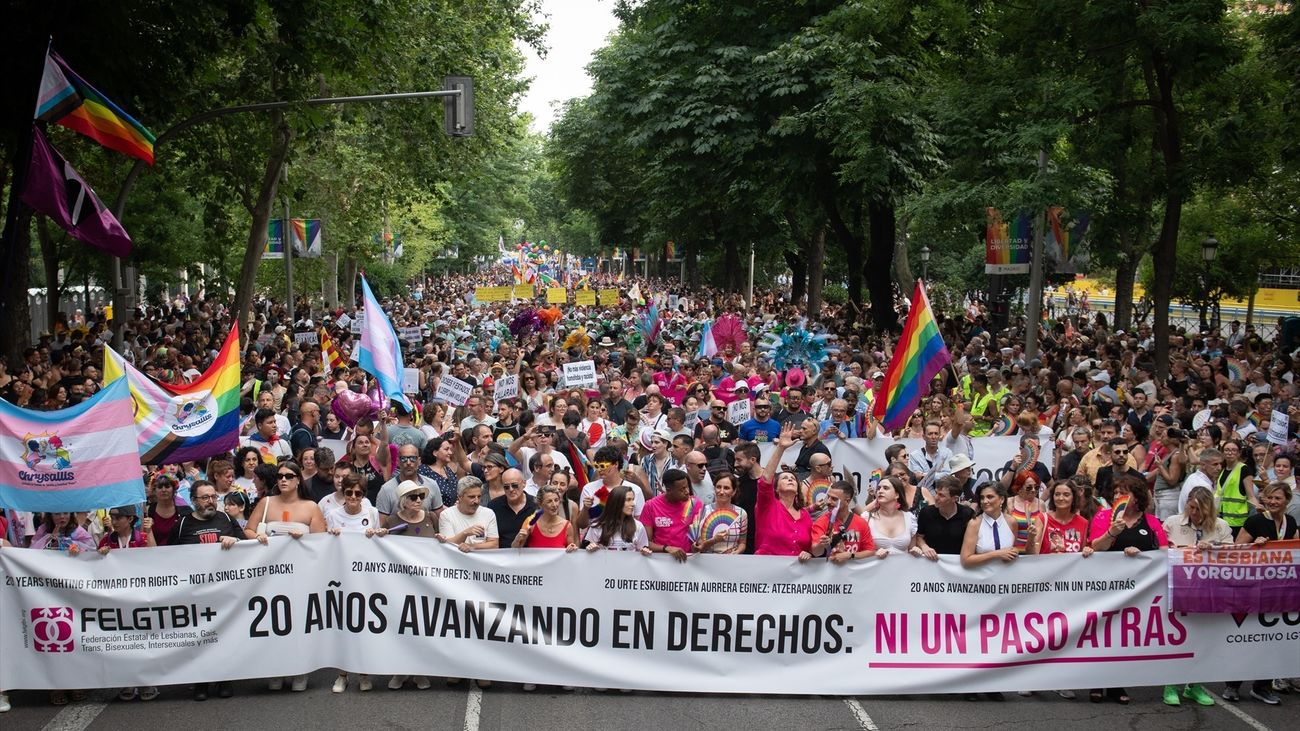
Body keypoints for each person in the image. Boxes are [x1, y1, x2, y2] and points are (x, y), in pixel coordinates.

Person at [169, 480, 259, 701]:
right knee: (200, 638)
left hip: (224, 590)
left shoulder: (227, 519)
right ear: (193, 501)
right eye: (205, 498)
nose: (211, 502)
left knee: (224, 636)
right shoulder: (181, 525)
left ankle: (224, 678)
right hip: (195, 592)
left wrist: (235, 540)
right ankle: (202, 681)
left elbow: (247, 548)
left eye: (213, 497)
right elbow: (167, 557)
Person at [1087, 476, 1167, 705]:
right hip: (1105, 587)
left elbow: (1163, 552)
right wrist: (1112, 532)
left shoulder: (1151, 522)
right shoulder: (1104, 517)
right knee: (1101, 636)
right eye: (1115, 494)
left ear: (1137, 497)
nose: (1117, 497)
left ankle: (1115, 684)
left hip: (1137, 592)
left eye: (1124, 492)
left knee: (1122, 639)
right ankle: (1095, 683)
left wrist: (1141, 556)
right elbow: (1094, 547)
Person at [1221, 481, 1298, 705]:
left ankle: (1261, 687)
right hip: (1253, 590)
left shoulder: (1290, 522)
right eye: (1270, 497)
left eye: (1278, 498)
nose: (1273, 502)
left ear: (1286, 501)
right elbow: (1236, 551)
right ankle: (1232, 685)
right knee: (1248, 638)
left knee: (1272, 641)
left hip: (1280, 593)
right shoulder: (1255, 521)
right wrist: (1255, 545)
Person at [325, 472, 386, 694]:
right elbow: (325, 545)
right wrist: (330, 534)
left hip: (365, 579)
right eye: (349, 492)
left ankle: (364, 673)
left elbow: (380, 540)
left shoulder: (371, 512)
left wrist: (376, 533)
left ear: (363, 495)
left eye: (358, 493)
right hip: (341, 578)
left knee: (364, 625)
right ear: (343, 492)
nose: (353, 496)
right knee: (342, 626)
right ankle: (342, 674)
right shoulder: (333, 515)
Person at [755, 423, 814, 559]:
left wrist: (809, 554)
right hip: (766, 573)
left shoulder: (805, 515)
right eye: (785, 478)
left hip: (797, 576)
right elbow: (765, 481)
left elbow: (811, 547)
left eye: (793, 478)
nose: (790, 479)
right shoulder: (768, 506)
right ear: (775, 487)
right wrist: (781, 448)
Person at [641, 469, 700, 561]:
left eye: (687, 487)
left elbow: (700, 537)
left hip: (688, 562)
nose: (687, 491)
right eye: (682, 489)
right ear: (669, 490)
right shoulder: (651, 506)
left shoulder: (694, 503)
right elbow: (645, 543)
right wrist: (667, 548)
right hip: (661, 562)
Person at [810, 480, 877, 562]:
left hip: (853, 573)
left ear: (847, 501)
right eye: (828, 497)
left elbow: (870, 552)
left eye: (834, 499)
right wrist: (821, 544)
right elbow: (816, 553)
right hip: (828, 573)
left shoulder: (861, 523)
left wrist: (851, 555)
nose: (828, 501)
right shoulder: (821, 522)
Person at [375, 444, 443, 518]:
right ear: (397, 461)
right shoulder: (386, 489)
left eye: (413, 458)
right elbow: (382, 524)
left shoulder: (431, 485)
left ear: (419, 461)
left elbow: (439, 518)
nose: (408, 463)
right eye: (404, 458)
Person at [915, 476, 975, 558]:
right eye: (936, 493)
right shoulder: (926, 513)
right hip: (931, 561)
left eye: (941, 495)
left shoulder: (967, 514)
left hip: (958, 563)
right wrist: (924, 547)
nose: (936, 498)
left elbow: (973, 541)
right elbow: (919, 536)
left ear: (955, 498)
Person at [436, 476, 499, 553]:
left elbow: (494, 545)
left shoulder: (488, 513)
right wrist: (465, 533)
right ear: (460, 497)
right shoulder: (447, 515)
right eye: (471, 497)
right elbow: (447, 546)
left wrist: (471, 547)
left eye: (479, 496)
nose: (477, 501)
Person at [691, 472, 748, 554]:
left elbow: (742, 543)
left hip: (731, 561)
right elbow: (697, 548)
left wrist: (738, 551)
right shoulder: (703, 511)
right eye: (718, 487)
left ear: (734, 491)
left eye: (726, 488)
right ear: (714, 489)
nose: (721, 492)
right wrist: (714, 540)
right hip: (707, 561)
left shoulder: (742, 513)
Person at [585, 485, 651, 553]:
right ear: (616, 502)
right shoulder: (597, 525)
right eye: (628, 500)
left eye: (633, 499)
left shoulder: (638, 526)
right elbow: (588, 552)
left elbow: (642, 551)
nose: (633, 504)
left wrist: (644, 551)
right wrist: (591, 548)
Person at [512, 485, 578, 550]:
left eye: (556, 500)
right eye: (549, 501)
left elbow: (571, 555)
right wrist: (517, 538)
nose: (554, 505)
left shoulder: (567, 526)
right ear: (540, 504)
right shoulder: (531, 522)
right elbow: (515, 550)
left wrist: (572, 548)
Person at [867, 478, 919, 555]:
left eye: (885, 488)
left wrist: (916, 550)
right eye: (878, 488)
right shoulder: (867, 518)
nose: (880, 491)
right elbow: (860, 551)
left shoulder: (909, 518)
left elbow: (911, 550)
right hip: (876, 567)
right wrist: (874, 553)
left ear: (897, 495)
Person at [488, 468, 536, 547]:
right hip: (502, 556)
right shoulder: (494, 506)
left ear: (524, 483)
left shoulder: (536, 505)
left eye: (515, 485)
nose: (511, 489)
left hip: (530, 555)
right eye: (506, 487)